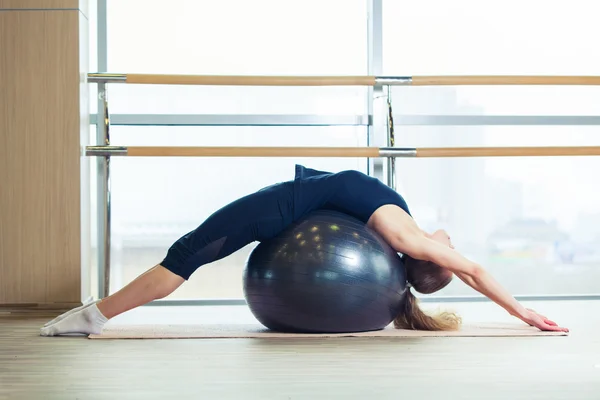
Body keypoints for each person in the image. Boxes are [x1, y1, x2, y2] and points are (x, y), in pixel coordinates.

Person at [40, 164, 568, 336]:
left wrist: (521, 311)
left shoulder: (407, 237)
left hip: (283, 210)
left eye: (446, 253)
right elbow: (465, 268)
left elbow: (472, 270)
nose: (453, 244)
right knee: (188, 256)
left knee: (185, 257)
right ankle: (95, 315)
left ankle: (94, 316)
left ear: (430, 256)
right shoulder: (402, 229)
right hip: (291, 209)